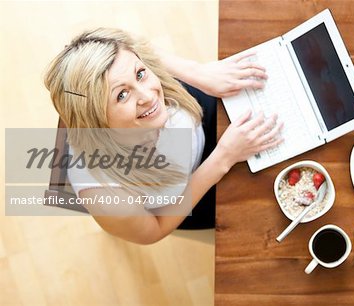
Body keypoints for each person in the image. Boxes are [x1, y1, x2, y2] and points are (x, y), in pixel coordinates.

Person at [44, 28, 283, 244]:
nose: (148, 96)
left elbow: (136, 48)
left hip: (199, 121)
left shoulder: (129, 70)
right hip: (188, 196)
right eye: (121, 95)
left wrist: (198, 72)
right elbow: (154, 229)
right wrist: (222, 159)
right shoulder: (107, 198)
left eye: (140, 75)